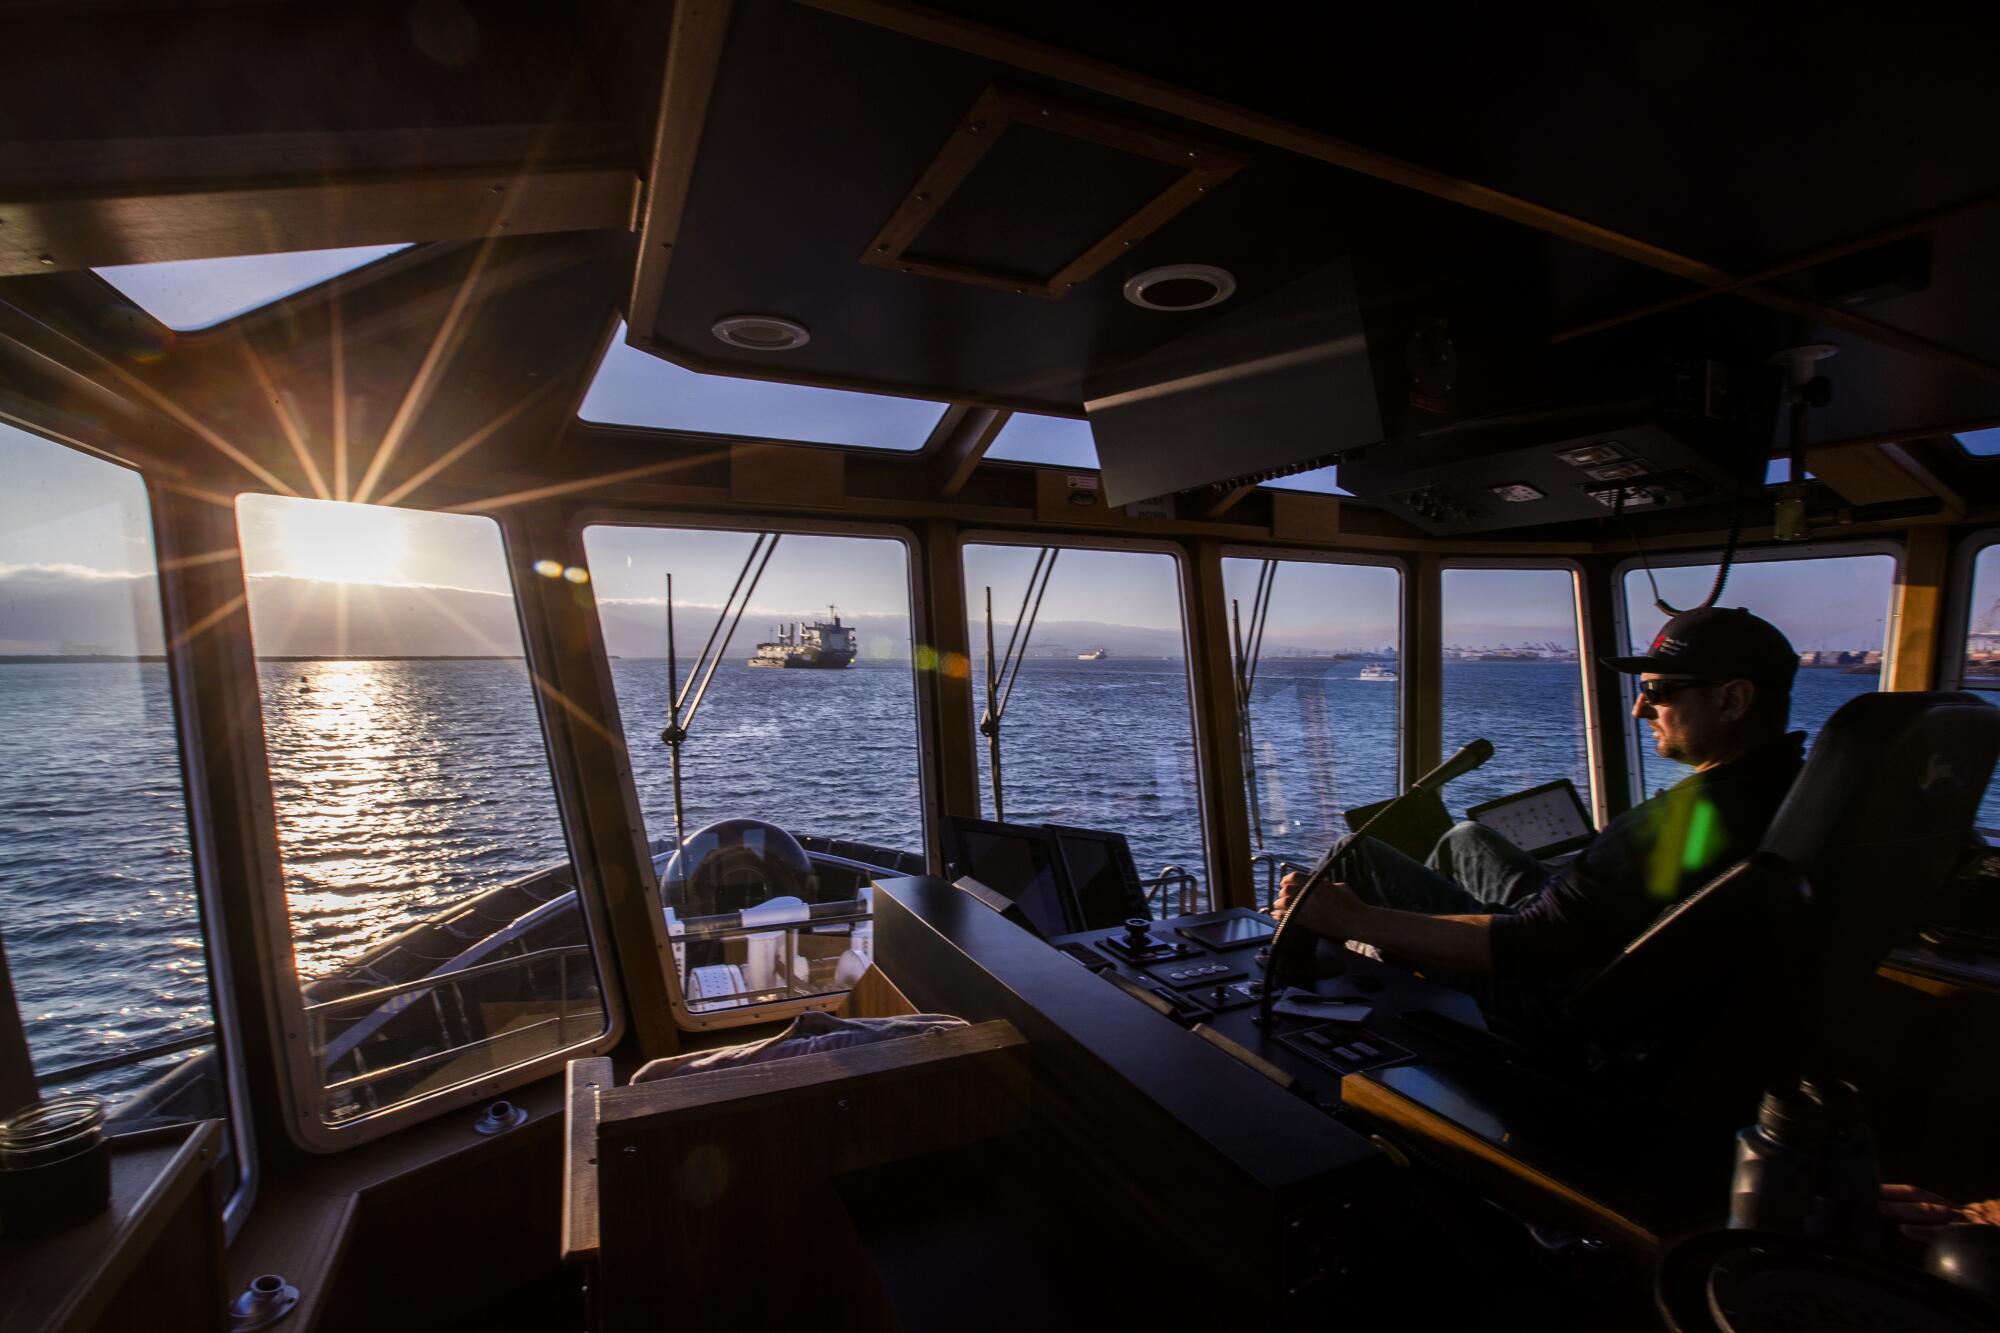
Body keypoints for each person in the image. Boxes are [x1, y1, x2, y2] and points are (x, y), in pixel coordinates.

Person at [1274, 606, 1806, 1032]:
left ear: (1733, 700)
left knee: (1357, 854)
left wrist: (1355, 919)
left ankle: (1319, 979)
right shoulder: (1791, 788)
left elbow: (1525, 946)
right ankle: (1401, 946)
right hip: (1590, 947)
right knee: (1467, 837)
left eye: (1658, 691)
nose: (1642, 710)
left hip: (1544, 992)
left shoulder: (1682, 819)